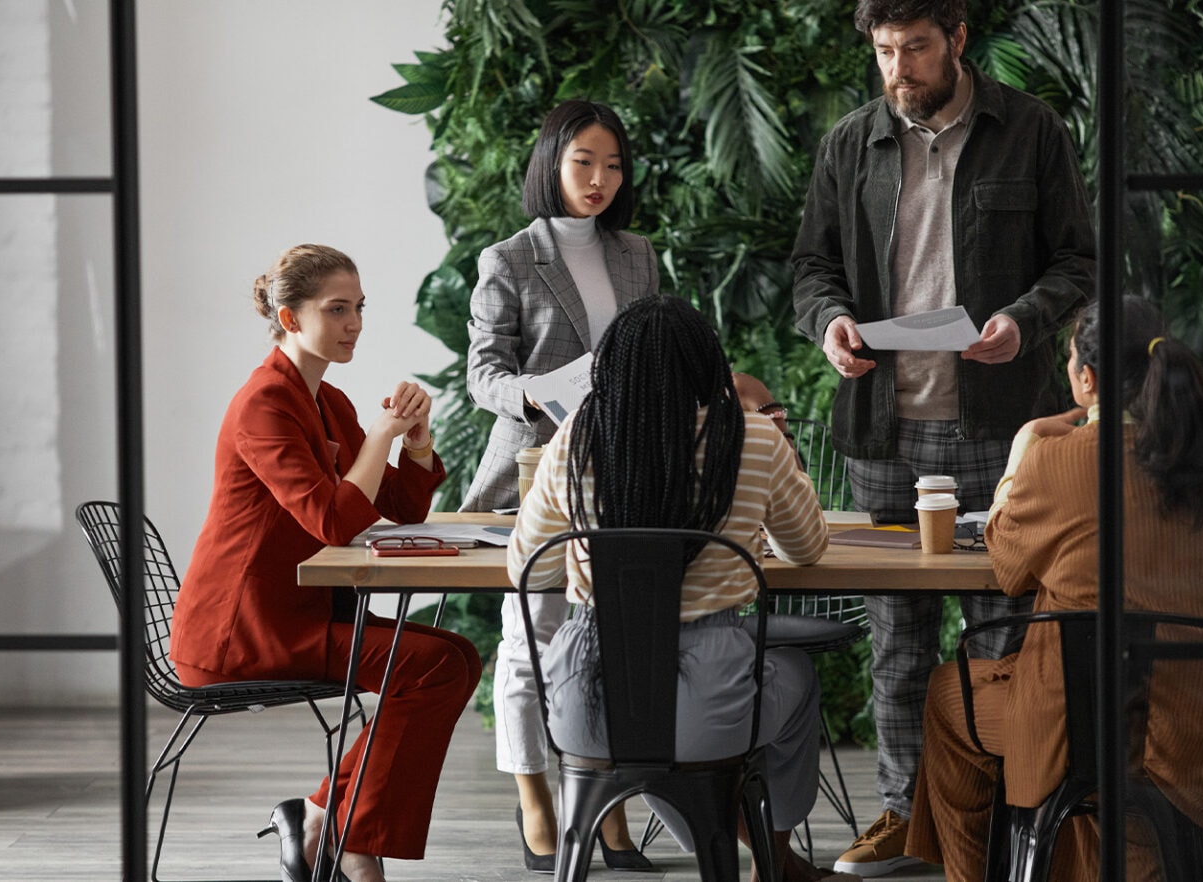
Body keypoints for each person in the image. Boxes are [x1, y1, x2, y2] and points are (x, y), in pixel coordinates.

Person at [788, 1, 1096, 874]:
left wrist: (1021, 323)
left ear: (957, 40)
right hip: (882, 434)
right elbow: (812, 266)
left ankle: (996, 819)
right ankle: (902, 815)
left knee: (1004, 635)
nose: (898, 69)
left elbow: (1077, 260)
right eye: (885, 51)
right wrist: (833, 323)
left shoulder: (1029, 129)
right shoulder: (852, 142)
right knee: (898, 640)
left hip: (999, 430)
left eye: (915, 48)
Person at [906, 295, 1203, 882]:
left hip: (1071, 730)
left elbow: (1006, 567)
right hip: (1183, 733)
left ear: (1086, 378)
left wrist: (1024, 445)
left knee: (947, 696)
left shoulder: (1053, 462)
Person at [508, 296, 853, 882]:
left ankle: (714, 833)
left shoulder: (576, 438)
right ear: (708, 366)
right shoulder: (754, 439)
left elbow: (527, 569)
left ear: (608, 368)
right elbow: (807, 548)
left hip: (585, 709)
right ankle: (771, 854)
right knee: (792, 677)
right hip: (709, 703)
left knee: (658, 738)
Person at [169, 244, 483, 882]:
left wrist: (415, 444)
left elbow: (398, 504)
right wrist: (380, 438)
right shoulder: (264, 402)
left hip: (299, 611)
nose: (355, 323)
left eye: (359, 307)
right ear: (289, 318)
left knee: (454, 659)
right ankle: (350, 837)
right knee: (433, 668)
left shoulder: (328, 400)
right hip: (244, 629)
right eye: (337, 309)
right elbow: (334, 520)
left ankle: (319, 815)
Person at [461, 98, 660, 872]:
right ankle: (536, 799)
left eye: (614, 165)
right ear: (552, 163)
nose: (600, 179)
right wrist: (543, 388)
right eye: (584, 161)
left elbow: (651, 353)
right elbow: (484, 378)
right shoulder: (508, 259)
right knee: (530, 647)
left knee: (612, 645)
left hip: (621, 475)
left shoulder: (637, 254)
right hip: (536, 476)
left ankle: (604, 804)